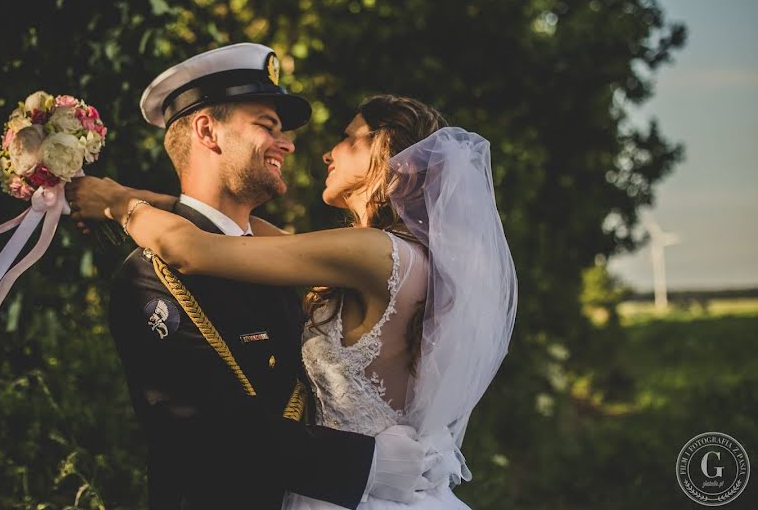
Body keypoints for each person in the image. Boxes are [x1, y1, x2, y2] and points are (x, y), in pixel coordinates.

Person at [70, 88, 518, 509]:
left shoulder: (372, 252)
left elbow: (193, 248)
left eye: (347, 139)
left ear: (389, 154)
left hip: (353, 489)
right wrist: (154, 200)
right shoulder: (394, 256)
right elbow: (236, 231)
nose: (327, 152)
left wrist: (115, 202)